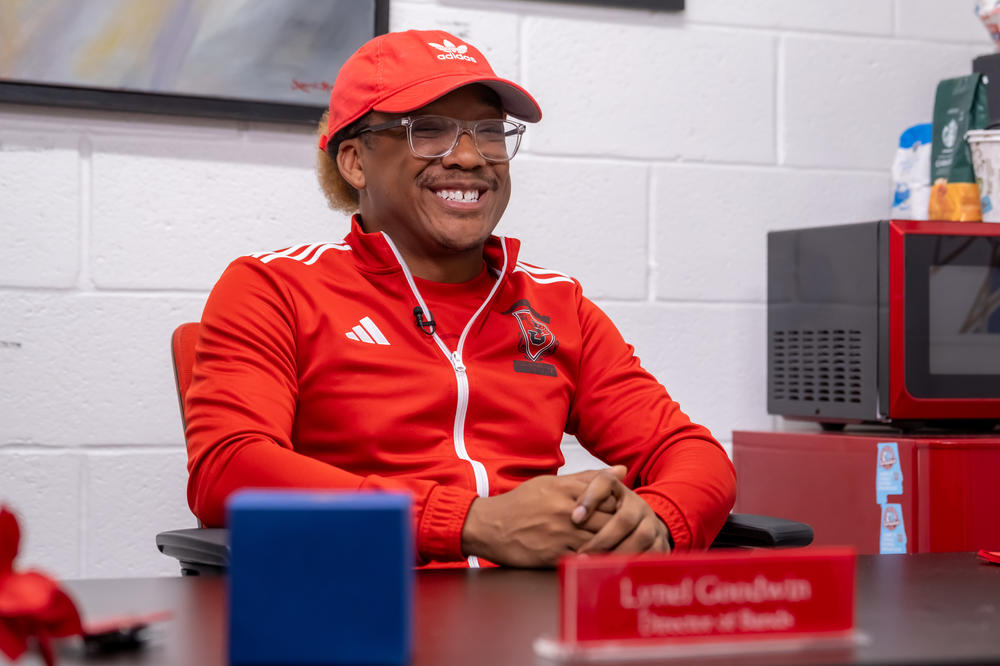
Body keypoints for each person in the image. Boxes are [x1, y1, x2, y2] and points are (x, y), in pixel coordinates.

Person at [184, 29, 736, 568]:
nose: (471, 158)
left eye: (490, 132)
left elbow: (691, 453)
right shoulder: (276, 287)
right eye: (429, 130)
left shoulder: (557, 304)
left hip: (536, 617)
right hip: (365, 606)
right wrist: (474, 524)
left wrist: (657, 523)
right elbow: (230, 469)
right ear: (354, 161)